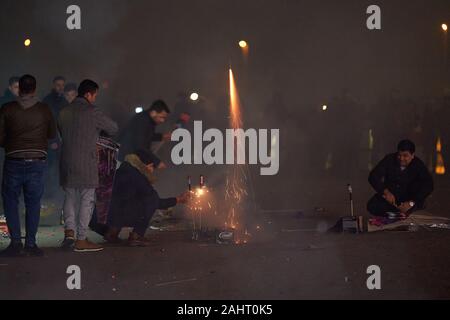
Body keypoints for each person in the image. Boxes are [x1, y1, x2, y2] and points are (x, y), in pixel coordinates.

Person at [58, 79, 118, 252]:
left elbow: (63, 133)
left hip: (67, 161)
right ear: (88, 94)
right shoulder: (93, 111)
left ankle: (69, 232)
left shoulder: (64, 112)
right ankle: (81, 239)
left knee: (69, 197)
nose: (95, 99)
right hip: (87, 162)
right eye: (95, 95)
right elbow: (113, 128)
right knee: (87, 199)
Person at [0, 74, 56, 257]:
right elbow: (51, 134)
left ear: (19, 88)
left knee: (10, 202)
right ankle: (31, 243)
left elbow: (0, 138)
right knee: (33, 203)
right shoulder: (44, 110)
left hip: (13, 161)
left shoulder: (7, 109)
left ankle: (15, 243)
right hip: (37, 162)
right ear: (34, 89)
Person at [104, 149, 189, 246]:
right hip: (117, 214)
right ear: (144, 164)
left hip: (104, 216)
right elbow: (156, 202)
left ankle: (112, 233)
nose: (152, 170)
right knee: (151, 199)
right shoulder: (138, 177)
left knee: (123, 203)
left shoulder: (122, 170)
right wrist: (178, 199)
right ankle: (136, 236)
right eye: (152, 166)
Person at [367, 139, 434, 217]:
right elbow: (373, 176)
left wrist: (411, 203)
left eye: (405, 156)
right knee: (372, 205)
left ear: (412, 155)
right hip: (391, 199)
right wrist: (385, 192)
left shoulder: (418, 164)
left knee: (419, 205)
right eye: (399, 155)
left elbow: (429, 185)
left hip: (409, 199)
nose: (401, 159)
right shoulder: (389, 159)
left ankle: (401, 213)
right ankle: (397, 214)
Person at [118, 100, 172, 166]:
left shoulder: (147, 120)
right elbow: (140, 146)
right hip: (124, 158)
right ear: (153, 113)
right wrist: (156, 162)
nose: (162, 120)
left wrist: (161, 137)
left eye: (164, 118)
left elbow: (146, 136)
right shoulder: (143, 121)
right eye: (161, 117)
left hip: (128, 158)